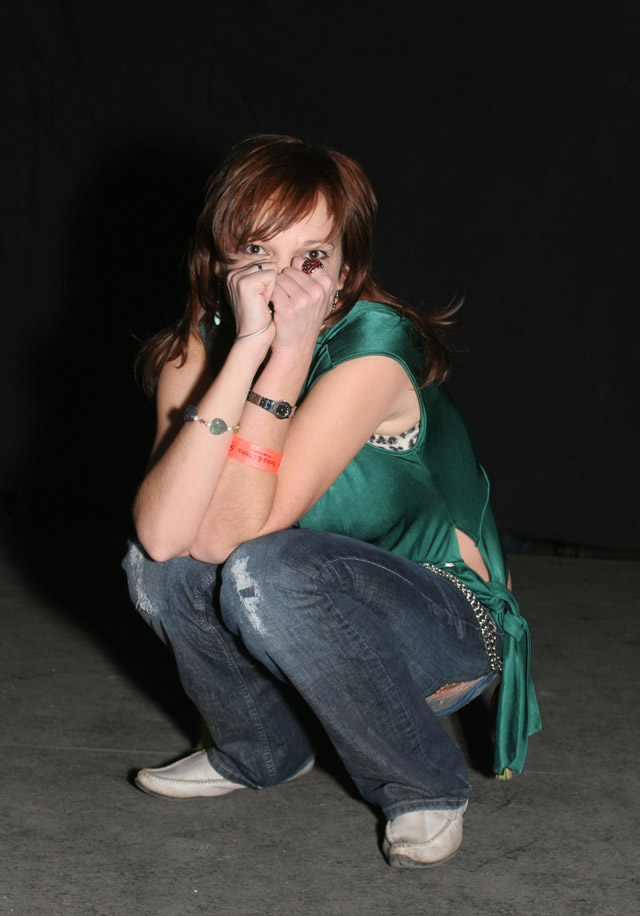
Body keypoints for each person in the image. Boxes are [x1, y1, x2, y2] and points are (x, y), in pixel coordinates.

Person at [122, 134, 540, 869]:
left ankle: (421, 785)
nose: (284, 278)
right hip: (292, 607)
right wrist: (246, 351)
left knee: (266, 569)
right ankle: (261, 748)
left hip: (443, 623)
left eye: (311, 256)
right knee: (159, 570)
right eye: (257, 250)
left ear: (347, 268)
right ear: (220, 257)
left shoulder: (374, 348)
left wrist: (288, 355)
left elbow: (228, 539)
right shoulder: (199, 345)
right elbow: (162, 538)